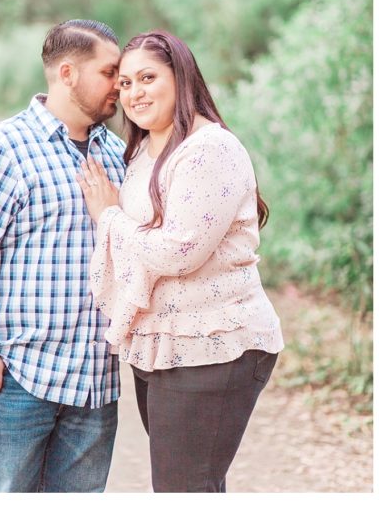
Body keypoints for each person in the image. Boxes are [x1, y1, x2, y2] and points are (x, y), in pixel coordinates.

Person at [77, 30, 284, 492]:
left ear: (181, 77)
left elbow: (179, 251)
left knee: (184, 487)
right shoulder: (146, 150)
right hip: (165, 344)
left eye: (147, 77)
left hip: (215, 344)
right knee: (191, 485)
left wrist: (108, 216)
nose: (134, 93)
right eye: (126, 84)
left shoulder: (209, 148)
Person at [0, 19, 127, 492]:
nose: (120, 84)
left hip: (96, 381)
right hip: (21, 378)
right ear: (68, 73)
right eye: (110, 72)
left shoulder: (116, 154)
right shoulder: (4, 147)